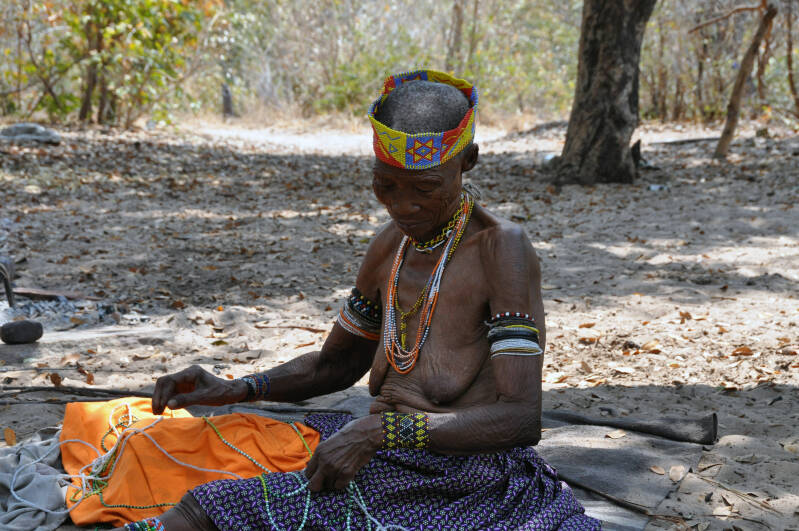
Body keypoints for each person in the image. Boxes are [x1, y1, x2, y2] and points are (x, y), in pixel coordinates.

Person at [118, 70, 599, 531]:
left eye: (425, 187)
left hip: (462, 477)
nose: (402, 206)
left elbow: (520, 418)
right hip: (385, 451)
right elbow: (338, 363)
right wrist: (237, 389)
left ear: (467, 161)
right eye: (385, 185)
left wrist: (380, 433)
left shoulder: (501, 249)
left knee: (206, 511)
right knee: (181, 450)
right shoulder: (391, 246)